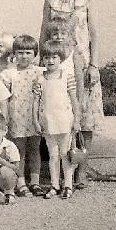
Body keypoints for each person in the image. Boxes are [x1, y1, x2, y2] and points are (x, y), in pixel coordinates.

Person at [38, 0, 103, 188]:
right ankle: (58, 173)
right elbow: (44, 30)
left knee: (84, 115)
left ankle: (81, 171)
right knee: (57, 112)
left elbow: (94, 33)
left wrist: (94, 65)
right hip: (56, 60)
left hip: (82, 60)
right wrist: (41, 61)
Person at [34, 40, 82, 200]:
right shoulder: (39, 79)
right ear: (43, 59)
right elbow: (36, 102)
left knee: (65, 154)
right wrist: (36, 121)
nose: (50, 61)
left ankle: (68, 185)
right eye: (47, 57)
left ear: (60, 58)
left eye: (54, 57)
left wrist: (77, 120)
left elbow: (74, 100)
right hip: (48, 122)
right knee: (53, 155)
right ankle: (54, 185)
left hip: (65, 121)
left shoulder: (67, 76)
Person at [0, 34, 45, 197]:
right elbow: (4, 98)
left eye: (28, 53)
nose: (24, 56)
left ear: (35, 54)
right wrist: (5, 118)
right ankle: (21, 182)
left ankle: (35, 182)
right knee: (19, 151)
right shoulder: (9, 73)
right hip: (17, 117)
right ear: (14, 54)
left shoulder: (40, 72)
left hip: (34, 117)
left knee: (35, 149)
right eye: (20, 52)